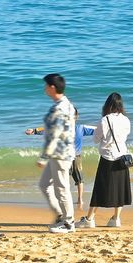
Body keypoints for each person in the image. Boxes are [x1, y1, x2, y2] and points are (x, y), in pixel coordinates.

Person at [76, 92, 131, 228]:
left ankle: (89, 219)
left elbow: (96, 139)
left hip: (108, 158)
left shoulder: (105, 120)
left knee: (99, 190)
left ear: (108, 105)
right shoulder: (126, 120)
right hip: (122, 157)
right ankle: (116, 219)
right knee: (120, 190)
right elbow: (125, 136)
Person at [26, 108, 95, 213]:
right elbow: (98, 129)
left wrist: (34, 131)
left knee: (70, 180)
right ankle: (78, 200)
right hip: (72, 157)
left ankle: (75, 200)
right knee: (78, 180)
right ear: (77, 117)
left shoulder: (68, 128)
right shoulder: (80, 128)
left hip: (67, 158)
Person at [36, 73, 77, 234]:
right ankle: (61, 215)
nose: (44, 89)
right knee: (44, 185)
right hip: (60, 152)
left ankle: (68, 223)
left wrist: (44, 157)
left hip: (60, 154)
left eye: (46, 86)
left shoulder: (60, 108)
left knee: (62, 188)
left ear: (52, 88)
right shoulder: (66, 104)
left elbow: (55, 135)